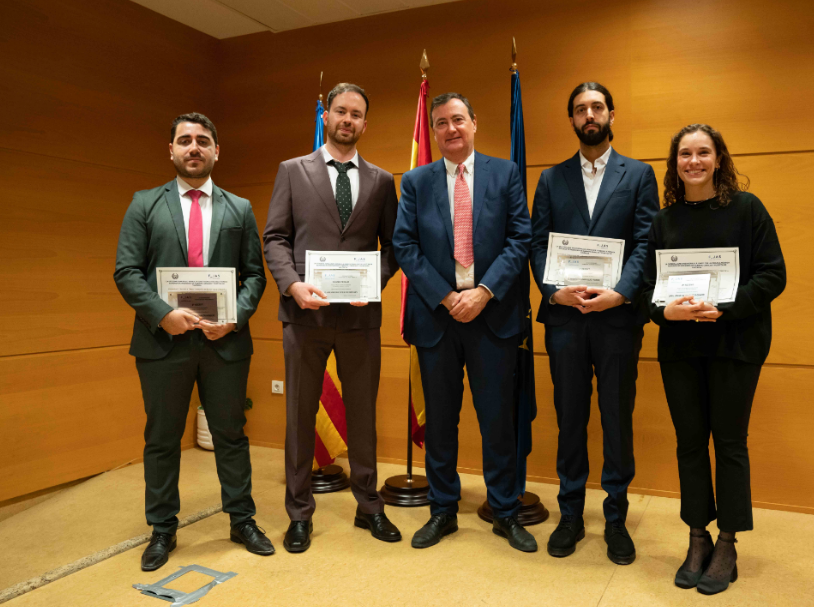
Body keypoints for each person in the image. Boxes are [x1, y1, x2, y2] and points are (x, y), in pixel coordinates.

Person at [114, 113, 272, 571]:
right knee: (162, 439)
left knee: (230, 435)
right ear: (171, 151)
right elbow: (126, 272)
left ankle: (242, 520)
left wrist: (235, 318)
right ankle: (163, 529)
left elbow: (255, 275)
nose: (194, 147)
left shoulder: (239, 207)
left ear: (216, 151)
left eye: (203, 140)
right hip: (162, 344)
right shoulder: (144, 204)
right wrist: (165, 316)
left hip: (224, 343)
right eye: (184, 140)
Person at [641, 124, 786, 594]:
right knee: (688, 444)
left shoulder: (747, 209)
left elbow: (773, 275)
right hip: (681, 348)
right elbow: (645, 289)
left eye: (704, 152)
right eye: (685, 154)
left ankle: (727, 541)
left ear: (719, 158)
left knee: (729, 443)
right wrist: (666, 310)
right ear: (675, 163)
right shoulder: (663, 221)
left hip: (735, 345)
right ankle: (697, 536)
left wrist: (723, 307)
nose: (694, 161)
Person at [393, 93, 536, 552]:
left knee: (498, 421)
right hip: (438, 318)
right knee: (440, 422)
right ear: (432, 132)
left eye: (458, 120)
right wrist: (446, 296)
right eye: (441, 123)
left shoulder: (506, 173)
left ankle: (505, 512)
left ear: (474, 123)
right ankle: (442, 510)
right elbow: (405, 246)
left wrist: (484, 292)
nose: (451, 129)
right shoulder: (415, 182)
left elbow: (520, 238)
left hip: (492, 314)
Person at [262, 83, 401, 553]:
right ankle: (299, 514)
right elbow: (275, 238)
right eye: (340, 111)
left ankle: (369, 506)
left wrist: (372, 283)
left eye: (357, 114)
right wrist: (292, 284)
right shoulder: (292, 171)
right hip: (305, 317)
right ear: (327, 116)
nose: (348, 119)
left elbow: (394, 248)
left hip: (360, 320)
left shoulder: (383, 181)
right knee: (299, 416)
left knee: (363, 415)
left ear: (365, 123)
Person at [530, 82, 659, 562]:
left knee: (616, 419)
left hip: (617, 320)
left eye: (597, 107)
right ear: (571, 119)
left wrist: (621, 292)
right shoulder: (550, 178)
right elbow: (538, 243)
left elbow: (646, 242)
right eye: (581, 108)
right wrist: (552, 290)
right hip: (564, 318)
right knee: (569, 419)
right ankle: (569, 515)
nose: (590, 114)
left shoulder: (639, 175)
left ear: (611, 114)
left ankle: (616, 518)